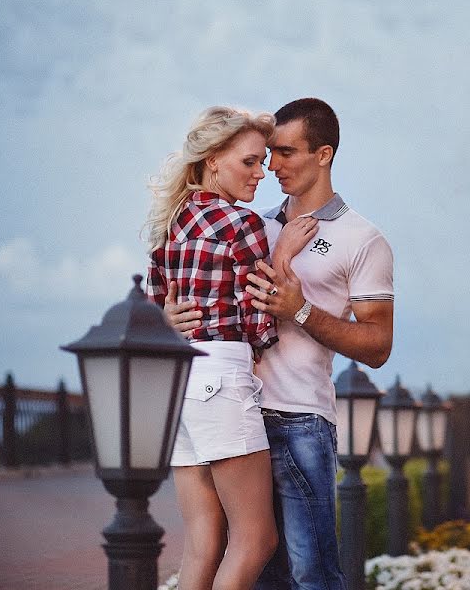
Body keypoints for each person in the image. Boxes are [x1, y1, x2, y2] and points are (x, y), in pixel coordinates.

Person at [166, 98, 394, 590]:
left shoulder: (363, 239)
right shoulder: (249, 222)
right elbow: (184, 289)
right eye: (265, 154)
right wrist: (165, 318)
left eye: (286, 153)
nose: (271, 166)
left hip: (300, 420)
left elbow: (378, 345)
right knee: (247, 565)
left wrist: (302, 311)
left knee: (311, 573)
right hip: (234, 412)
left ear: (324, 154)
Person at [144, 105, 318, 590]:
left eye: (263, 161)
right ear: (212, 159)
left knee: (203, 541)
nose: (260, 173)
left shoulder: (170, 224)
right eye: (249, 162)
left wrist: (169, 322)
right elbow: (261, 323)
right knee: (256, 539)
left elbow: (153, 307)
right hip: (222, 380)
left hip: (182, 388)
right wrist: (281, 255)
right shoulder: (241, 224)